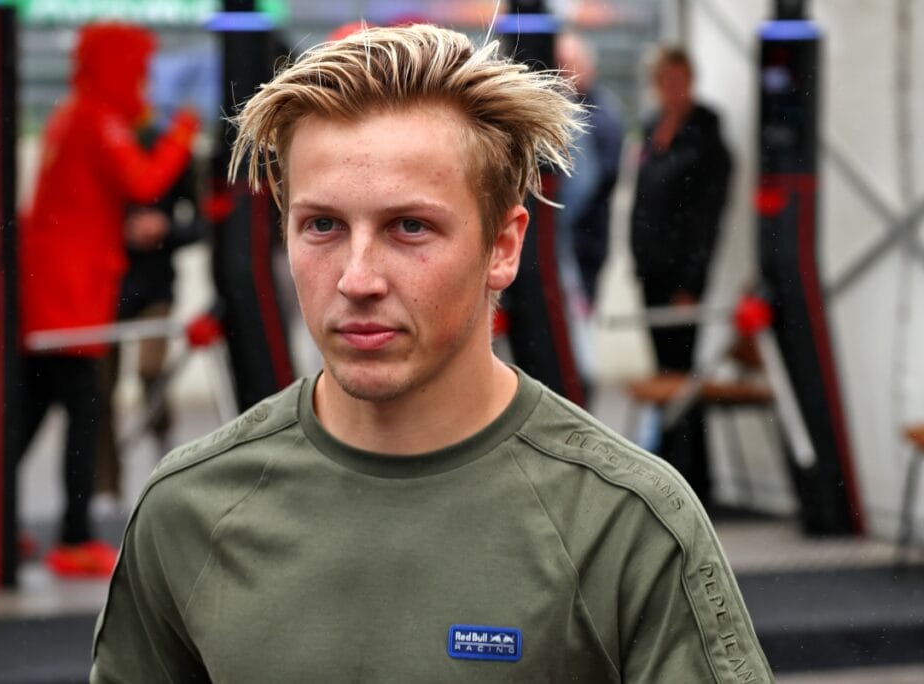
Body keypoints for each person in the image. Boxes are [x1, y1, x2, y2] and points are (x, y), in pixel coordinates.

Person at [92, 25, 768, 681]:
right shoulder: (187, 512)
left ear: (503, 246)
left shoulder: (625, 526)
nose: (358, 279)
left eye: (409, 227)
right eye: (321, 225)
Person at [18, 22, 198, 576]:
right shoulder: (97, 117)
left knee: (34, 409)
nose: (143, 82)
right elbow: (143, 182)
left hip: (64, 286)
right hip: (71, 292)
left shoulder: (74, 113)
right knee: (81, 411)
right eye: (138, 70)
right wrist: (183, 133)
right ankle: (73, 537)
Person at [629, 45, 732, 505]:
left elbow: (708, 218)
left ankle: (695, 481)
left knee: (684, 378)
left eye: (679, 80)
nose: (672, 89)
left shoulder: (707, 137)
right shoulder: (652, 129)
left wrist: (692, 280)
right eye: (664, 80)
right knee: (664, 374)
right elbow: (642, 199)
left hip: (683, 277)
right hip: (651, 270)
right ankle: (669, 472)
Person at [93, 124, 203, 511]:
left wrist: (166, 229)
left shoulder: (168, 146)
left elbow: (202, 220)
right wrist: (117, 230)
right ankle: (107, 485)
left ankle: (164, 451)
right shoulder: (99, 146)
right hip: (106, 289)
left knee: (150, 370)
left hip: (156, 287)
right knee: (100, 389)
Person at [555, 32, 624, 303]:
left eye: (569, 63)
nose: (563, 71)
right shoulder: (562, 107)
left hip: (585, 243)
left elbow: (593, 182)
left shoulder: (602, 115)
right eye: (560, 62)